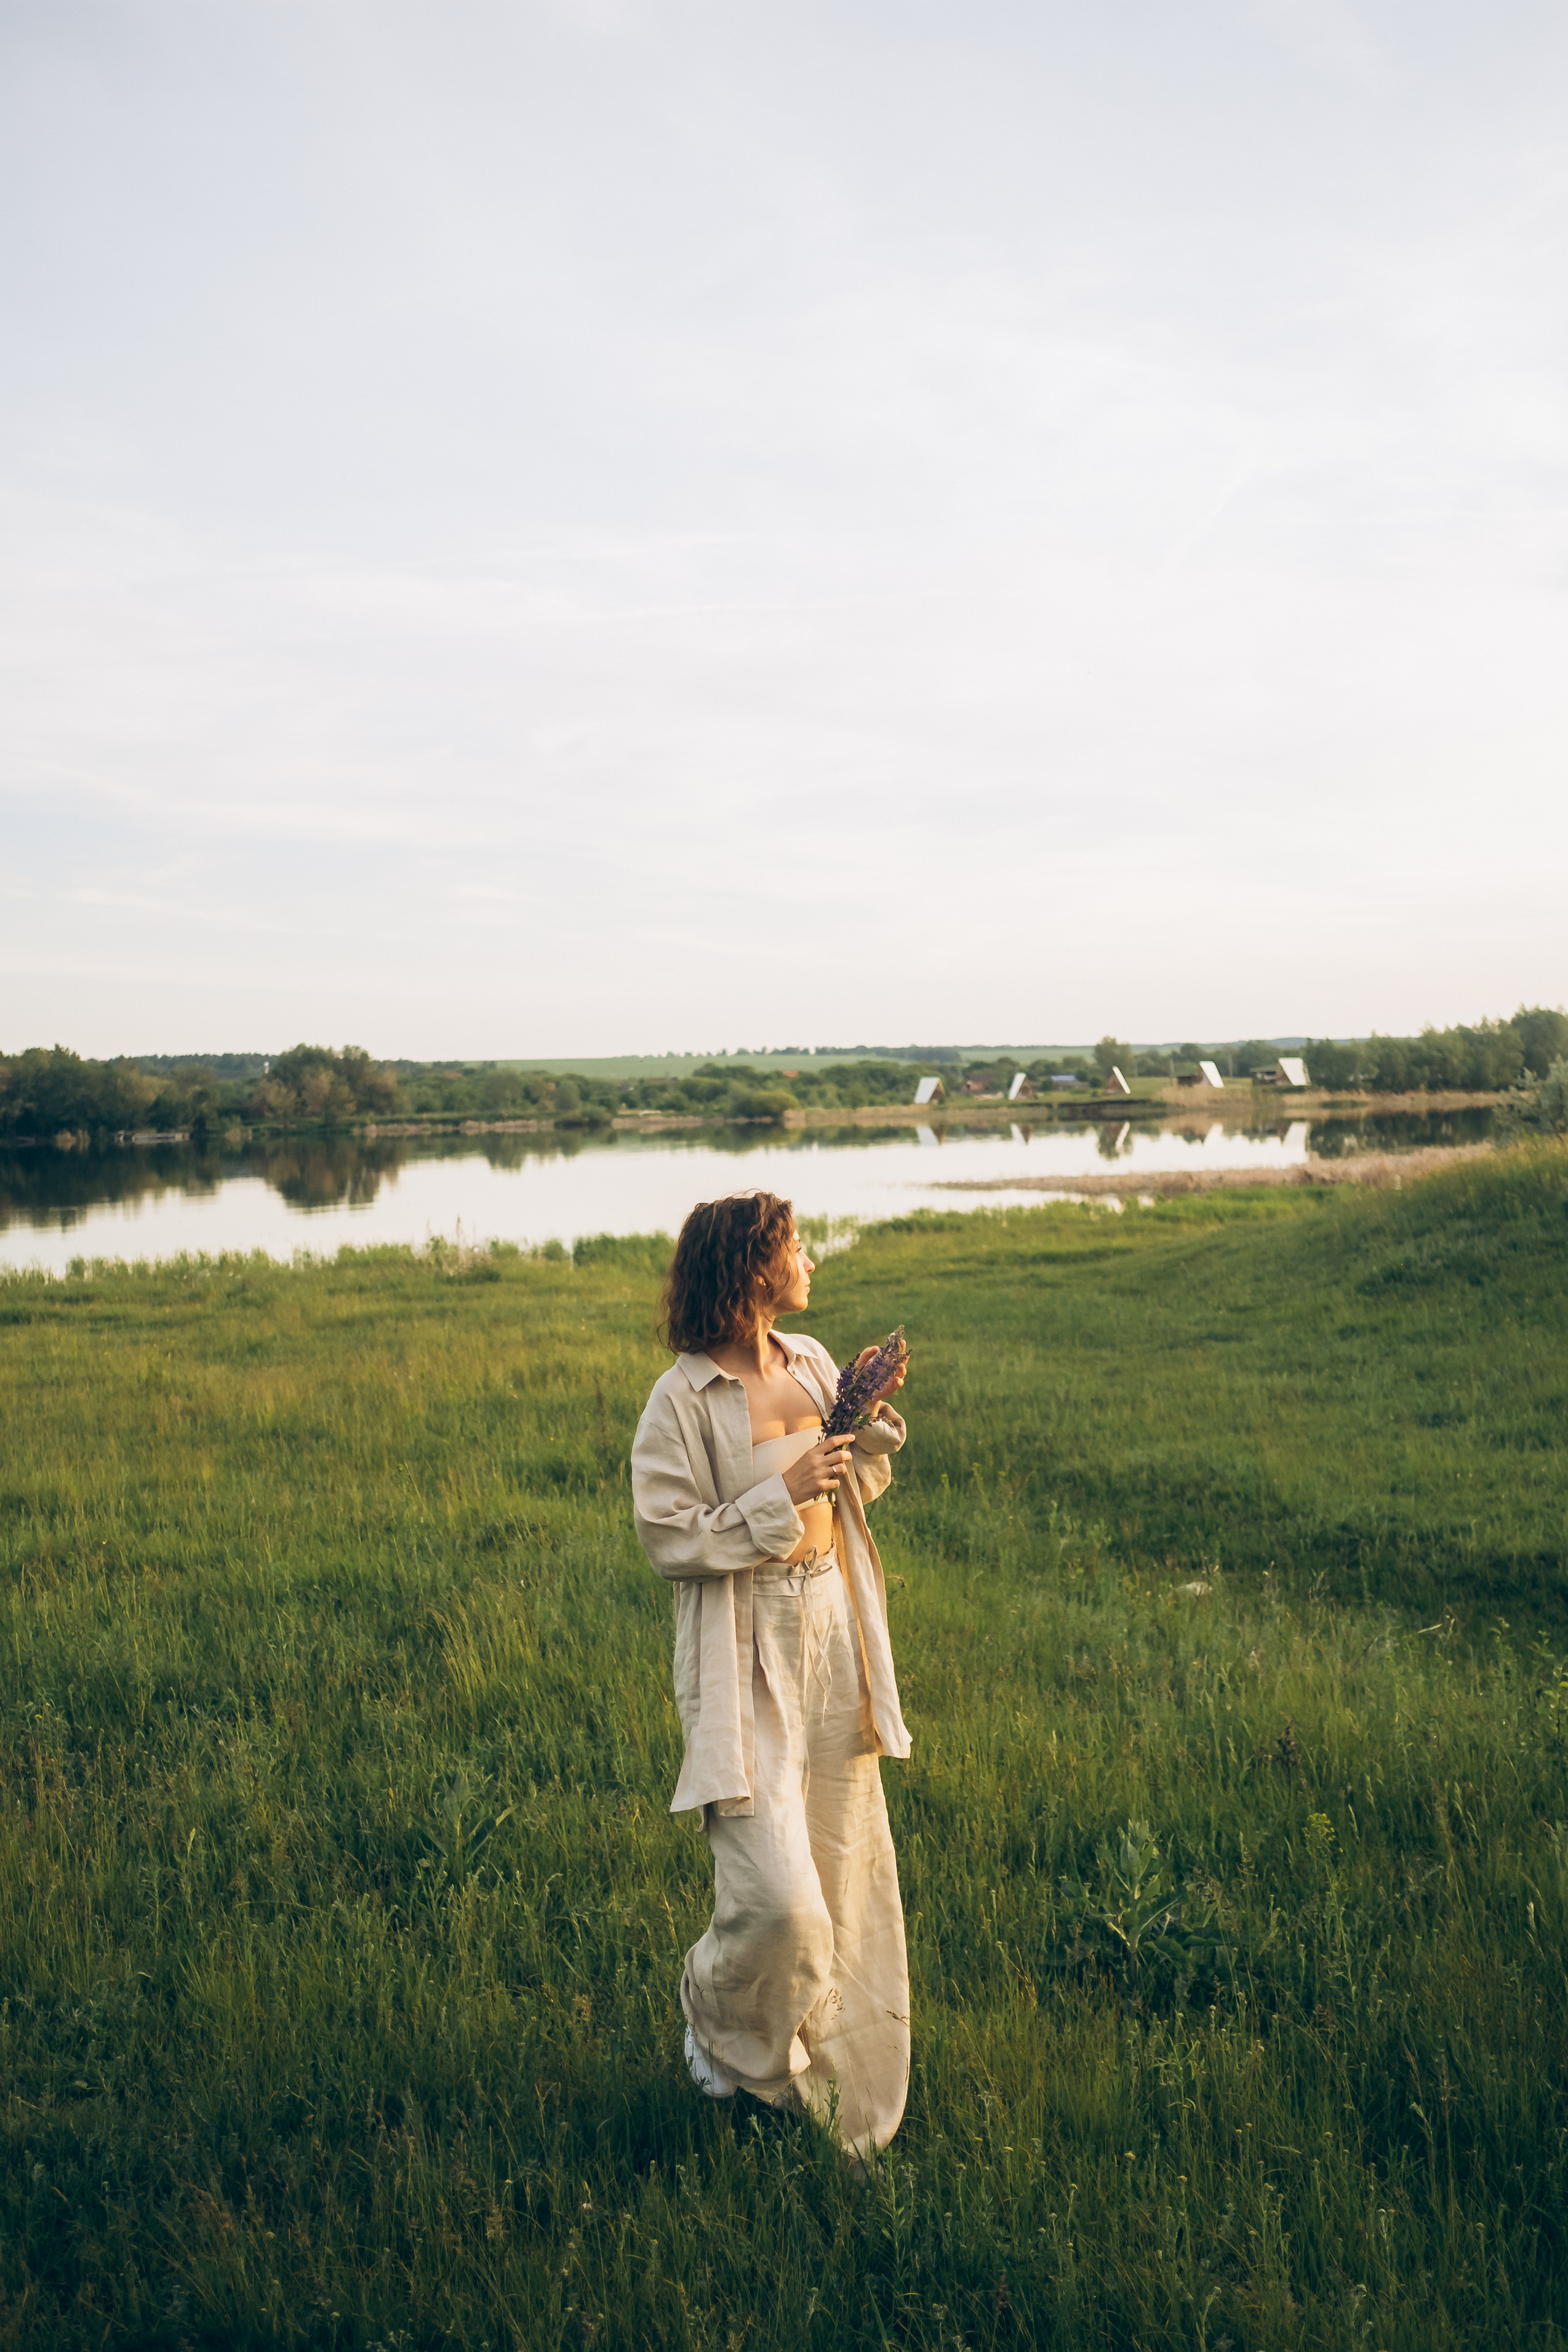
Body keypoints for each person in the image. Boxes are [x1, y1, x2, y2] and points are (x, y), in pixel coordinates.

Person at [630, 1189, 913, 2157]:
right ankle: (715, 2016)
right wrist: (777, 1493)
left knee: (841, 1862)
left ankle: (827, 2077)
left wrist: (865, 1422)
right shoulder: (682, 1399)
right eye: (796, 1250)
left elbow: (855, 1485)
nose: (810, 1263)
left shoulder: (812, 1361)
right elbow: (670, 1540)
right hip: (745, 1644)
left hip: (831, 1624)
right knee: (777, 1897)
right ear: (753, 1270)